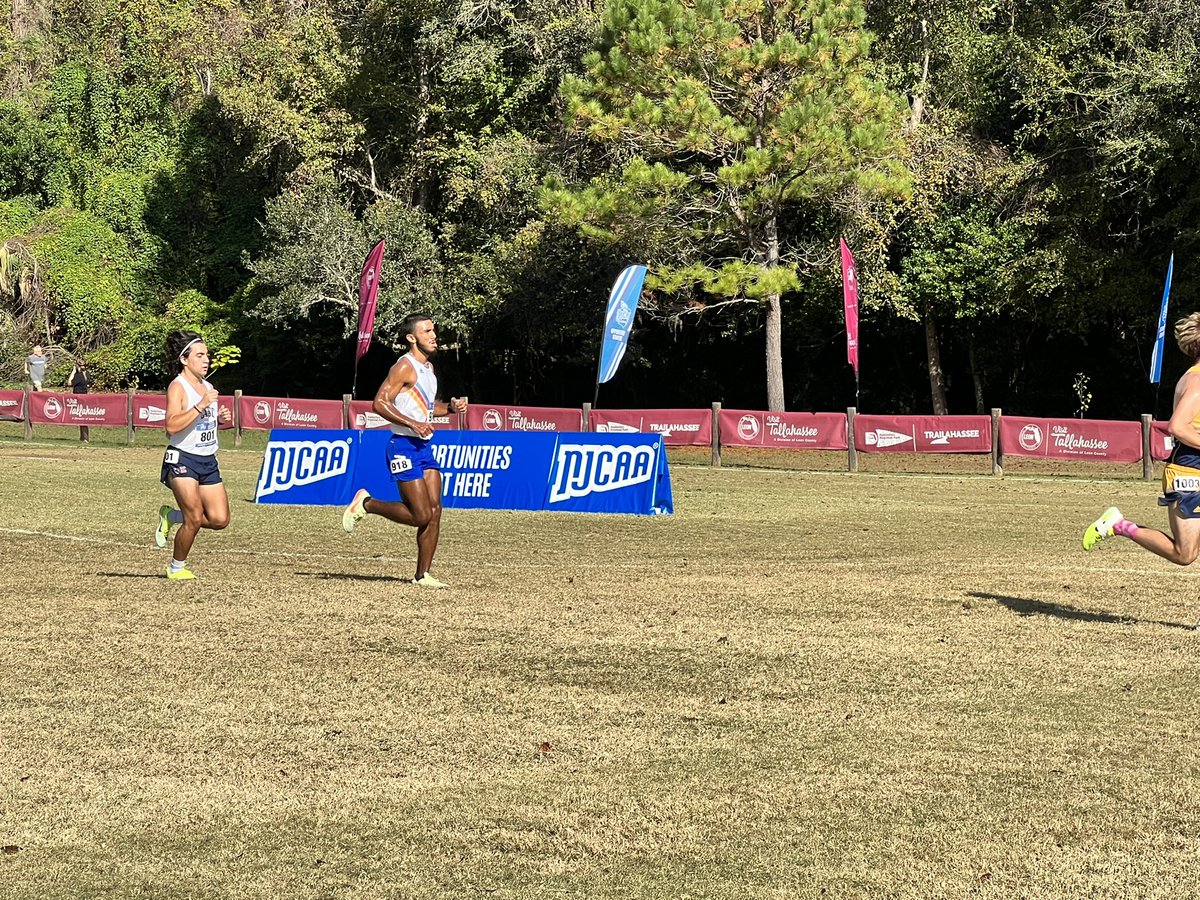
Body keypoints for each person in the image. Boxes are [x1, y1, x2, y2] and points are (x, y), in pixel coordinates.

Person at [341, 313, 468, 588]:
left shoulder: (429, 370)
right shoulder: (404, 367)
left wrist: (451, 408)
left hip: (423, 447)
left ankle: (422, 576)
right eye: (427, 332)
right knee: (420, 514)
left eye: (434, 330)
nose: (434, 336)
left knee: (435, 512)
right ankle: (366, 503)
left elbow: (428, 410)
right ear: (412, 338)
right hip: (402, 447)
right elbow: (379, 403)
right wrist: (413, 423)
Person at [1084, 311, 1200, 564]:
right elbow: (1178, 426)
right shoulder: (1198, 380)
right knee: (1185, 554)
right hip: (1190, 472)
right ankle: (1118, 525)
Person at [154, 330, 233, 580]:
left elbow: (201, 425)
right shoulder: (178, 386)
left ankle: (171, 515)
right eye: (200, 355)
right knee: (195, 519)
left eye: (207, 354)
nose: (206, 359)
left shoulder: (208, 386)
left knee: (220, 519)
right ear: (184, 359)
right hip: (182, 459)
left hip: (208, 460)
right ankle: (176, 568)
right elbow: (171, 426)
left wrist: (220, 420)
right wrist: (201, 405)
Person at [67, 358, 91, 442]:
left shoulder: (78, 375)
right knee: (83, 418)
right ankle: (83, 437)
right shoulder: (87, 374)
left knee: (82, 418)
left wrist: (73, 371)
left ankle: (85, 437)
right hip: (85, 397)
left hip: (78, 398)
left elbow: (69, 383)